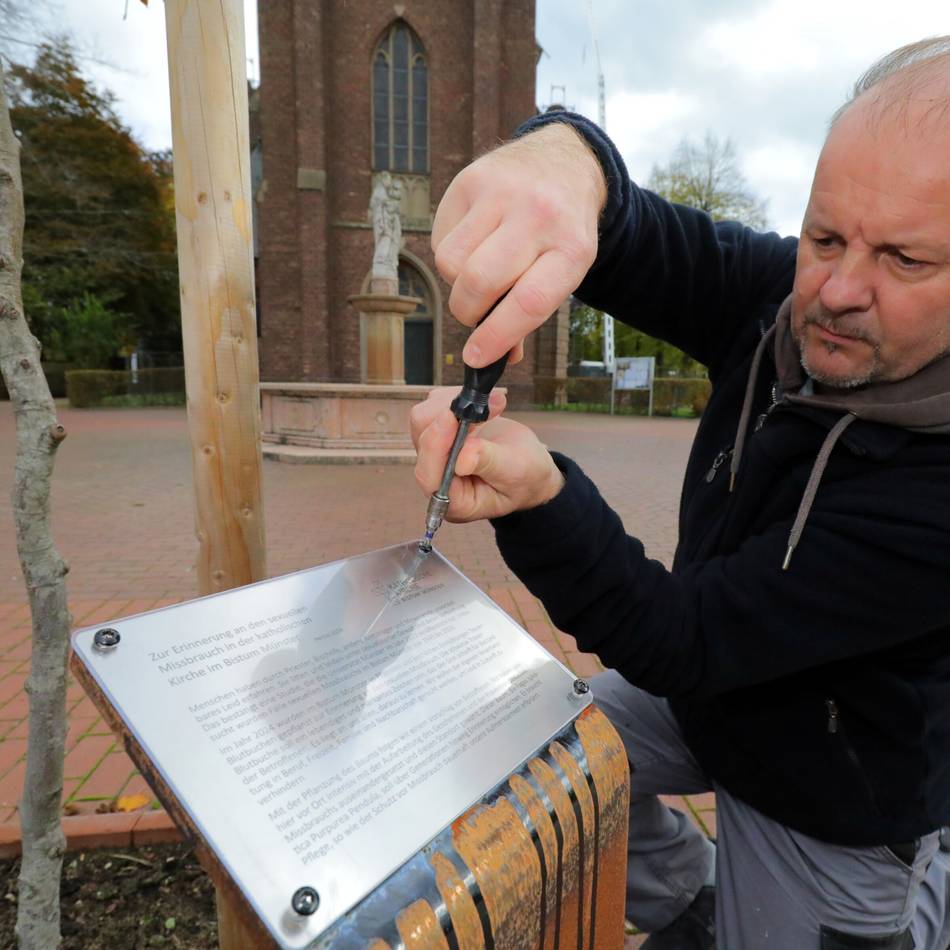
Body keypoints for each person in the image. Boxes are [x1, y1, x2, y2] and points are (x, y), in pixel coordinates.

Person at [410, 37, 950, 949]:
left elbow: (682, 636)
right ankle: (687, 898)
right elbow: (632, 236)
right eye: (824, 237)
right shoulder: (782, 300)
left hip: (833, 799)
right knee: (515, 750)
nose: (835, 292)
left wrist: (541, 499)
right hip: (712, 702)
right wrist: (567, 160)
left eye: (904, 260)